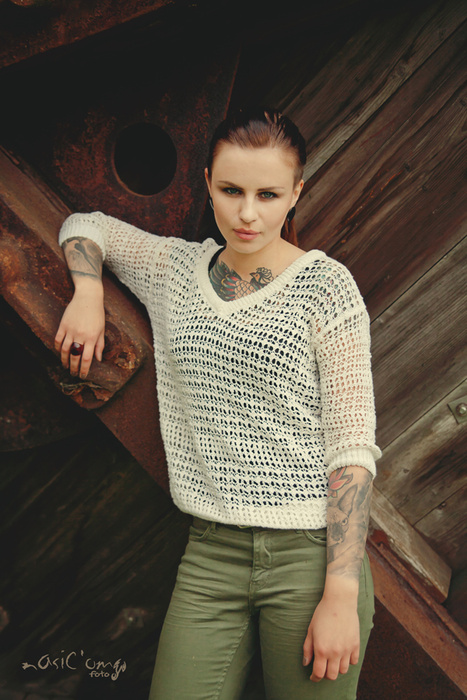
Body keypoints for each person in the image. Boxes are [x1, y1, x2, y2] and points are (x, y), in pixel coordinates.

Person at [55, 107, 381, 700]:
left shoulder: (326, 288)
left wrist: (340, 595)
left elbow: (352, 451)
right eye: (231, 190)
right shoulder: (174, 270)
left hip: (311, 558)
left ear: (296, 193)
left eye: (268, 194)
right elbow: (86, 225)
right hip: (211, 554)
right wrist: (87, 289)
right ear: (207, 183)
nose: (247, 213)